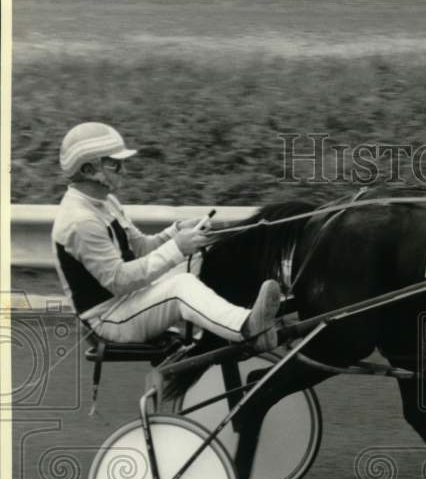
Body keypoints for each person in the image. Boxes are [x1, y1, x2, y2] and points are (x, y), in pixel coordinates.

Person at [51, 122, 280, 351]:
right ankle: (246, 327)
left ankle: (247, 310)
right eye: (115, 164)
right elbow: (120, 281)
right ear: (88, 170)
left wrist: (176, 231)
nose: (125, 170)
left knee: (208, 256)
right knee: (181, 286)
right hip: (108, 319)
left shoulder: (106, 201)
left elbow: (141, 247)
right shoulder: (80, 221)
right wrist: (177, 248)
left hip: (130, 299)